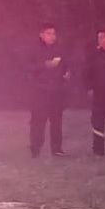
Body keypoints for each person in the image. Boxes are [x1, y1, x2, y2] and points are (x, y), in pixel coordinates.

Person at [27, 23, 69, 157]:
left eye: (54, 34)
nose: (52, 36)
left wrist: (67, 73)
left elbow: (66, 65)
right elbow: (28, 68)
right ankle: (36, 148)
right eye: (49, 33)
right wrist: (45, 65)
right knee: (38, 120)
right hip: (40, 91)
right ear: (41, 35)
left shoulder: (59, 49)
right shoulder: (34, 50)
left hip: (56, 90)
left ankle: (56, 148)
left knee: (56, 120)